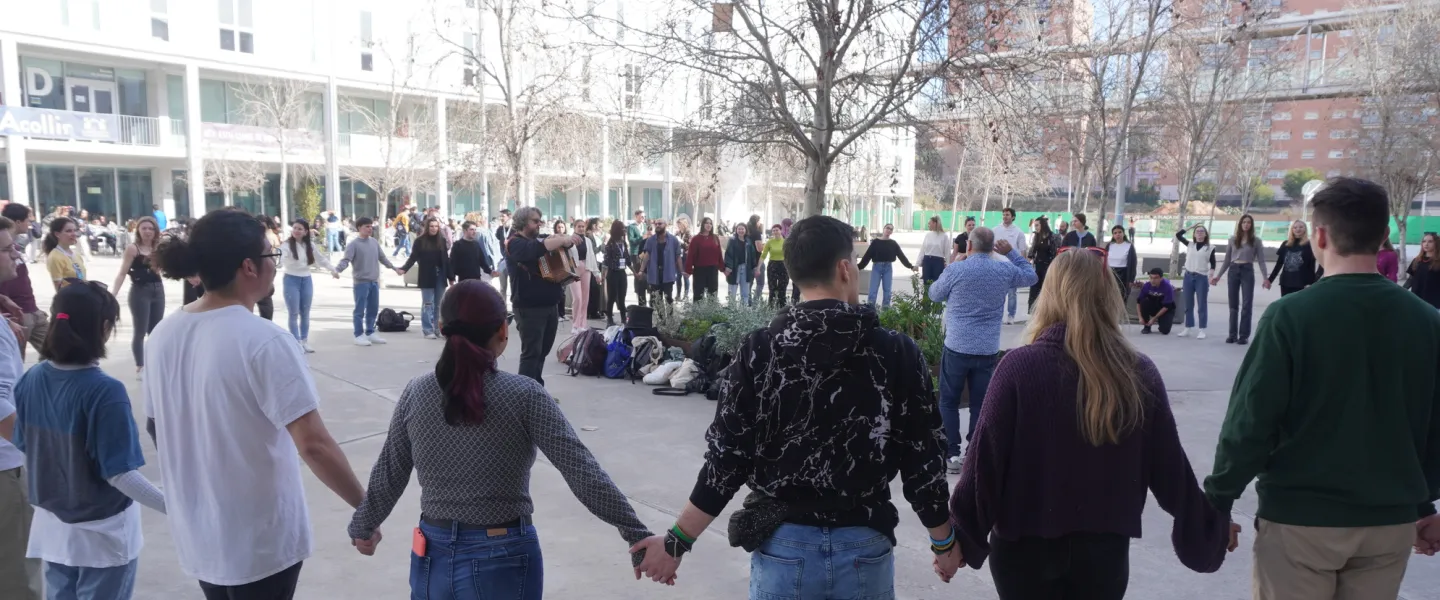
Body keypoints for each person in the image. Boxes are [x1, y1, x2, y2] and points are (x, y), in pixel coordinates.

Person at [628, 215, 961, 595]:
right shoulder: (896, 352)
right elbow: (924, 460)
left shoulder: (758, 350)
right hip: (865, 546)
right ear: (845, 268)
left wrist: (676, 542)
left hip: (784, 551)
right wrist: (944, 542)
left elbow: (726, 460)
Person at [346, 281, 661, 598]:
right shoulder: (524, 395)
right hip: (503, 558)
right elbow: (581, 471)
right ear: (503, 331)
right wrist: (635, 532)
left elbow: (390, 470)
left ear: (442, 327)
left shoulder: (417, 392)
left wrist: (364, 524)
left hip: (431, 557)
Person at [1204, 177, 1440, 600]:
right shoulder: (1428, 322)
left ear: (1319, 235)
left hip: (1301, 521)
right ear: (1384, 234)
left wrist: (1218, 500)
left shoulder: (1290, 317)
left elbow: (1251, 421)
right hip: (1389, 524)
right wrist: (1425, 503)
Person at [950, 250, 1234, 599]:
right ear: (1108, 295)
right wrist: (1210, 525)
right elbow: (1170, 469)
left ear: (1050, 294)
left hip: (1023, 554)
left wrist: (957, 539)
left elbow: (984, 466)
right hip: (1105, 554)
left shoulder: (1018, 368)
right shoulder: (1137, 371)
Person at [146, 208, 369, 600]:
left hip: (200, 533)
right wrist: (365, 508)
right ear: (249, 267)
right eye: (271, 256)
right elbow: (313, 444)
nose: (274, 264)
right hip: (259, 539)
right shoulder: (264, 340)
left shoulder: (164, 333)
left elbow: (155, 425)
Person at [12, 280, 169, 600]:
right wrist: (175, 506)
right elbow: (120, 474)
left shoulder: (32, 378)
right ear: (106, 327)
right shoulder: (104, 391)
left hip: (53, 529)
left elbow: (24, 445)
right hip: (103, 537)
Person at [929, 227, 1037, 471]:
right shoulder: (1004, 269)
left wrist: (953, 264)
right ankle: (974, 454)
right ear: (993, 247)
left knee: (948, 401)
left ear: (969, 245)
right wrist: (1012, 254)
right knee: (980, 403)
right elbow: (1031, 277)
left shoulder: (958, 269)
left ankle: (951, 454)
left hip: (956, 345)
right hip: (987, 348)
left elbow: (934, 294)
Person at [0, 217, 39, 600]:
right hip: (5, 467)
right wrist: (35, 448)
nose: (16, 253)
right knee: (17, 578)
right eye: (8, 248)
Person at [506, 207, 575, 385]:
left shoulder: (538, 239)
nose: (540, 224)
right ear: (523, 223)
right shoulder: (515, 243)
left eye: (540, 220)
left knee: (542, 352)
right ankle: (524, 396)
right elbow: (538, 247)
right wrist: (564, 238)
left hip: (549, 305)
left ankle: (536, 390)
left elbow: (560, 243)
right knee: (531, 354)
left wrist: (567, 241)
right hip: (529, 308)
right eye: (535, 221)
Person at [110, 216, 165, 376]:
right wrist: (113, 294)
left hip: (158, 289)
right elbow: (122, 273)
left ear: (155, 231)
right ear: (138, 230)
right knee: (140, 330)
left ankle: (155, 362)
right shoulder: (133, 249)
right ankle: (140, 366)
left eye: (151, 228)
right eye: (144, 228)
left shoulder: (159, 248)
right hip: (140, 291)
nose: (147, 231)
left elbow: (169, 268)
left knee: (156, 330)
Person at [335, 217, 400, 347]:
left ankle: (370, 332)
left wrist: (394, 268)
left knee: (373, 309)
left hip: (374, 282)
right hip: (361, 282)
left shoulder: (374, 243)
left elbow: (382, 258)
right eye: (366, 226)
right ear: (359, 228)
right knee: (359, 310)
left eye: (371, 226)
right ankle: (358, 335)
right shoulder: (353, 244)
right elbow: (346, 260)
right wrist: (337, 270)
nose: (370, 229)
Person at [280, 220, 336, 353]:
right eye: (294, 228)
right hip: (291, 279)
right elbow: (280, 257)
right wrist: (275, 265)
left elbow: (321, 259)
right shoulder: (286, 245)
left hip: (306, 279)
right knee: (293, 312)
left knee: (305, 312)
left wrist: (332, 269)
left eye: (300, 229)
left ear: (305, 231)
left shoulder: (310, 245)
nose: (296, 231)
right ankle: (296, 341)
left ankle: (304, 340)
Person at [0, 205, 50, 355]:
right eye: (28, 220)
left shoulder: (14, 248)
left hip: (30, 310)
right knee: (14, 362)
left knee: (60, 354)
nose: (30, 224)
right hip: (17, 316)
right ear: (17, 221)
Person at [1212, 214, 1267, 345]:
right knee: (1233, 305)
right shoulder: (1233, 240)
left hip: (1247, 270)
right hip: (1233, 270)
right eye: (1244, 222)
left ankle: (1243, 335)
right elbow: (1226, 260)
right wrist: (1218, 276)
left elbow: (1261, 260)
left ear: (1251, 225)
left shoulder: (1256, 241)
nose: (1246, 224)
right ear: (1240, 224)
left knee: (1247, 304)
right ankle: (1232, 334)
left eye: (1248, 222)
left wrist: (1266, 278)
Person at [398, 217, 455, 340]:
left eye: (436, 226)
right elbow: (413, 257)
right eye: (431, 226)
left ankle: (436, 328)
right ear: (427, 227)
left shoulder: (442, 240)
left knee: (439, 304)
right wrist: (404, 269)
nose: (434, 228)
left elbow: (446, 260)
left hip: (441, 275)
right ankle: (427, 329)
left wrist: (451, 277)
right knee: (428, 303)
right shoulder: (420, 241)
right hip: (427, 275)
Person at [1175, 223, 1216, 339]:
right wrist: (1190, 227)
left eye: (1202, 231)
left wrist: (1211, 275)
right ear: (1194, 234)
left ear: (1205, 234)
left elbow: (1213, 263)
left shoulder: (1210, 247)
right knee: (1188, 303)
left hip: (1201, 277)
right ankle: (1188, 327)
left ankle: (1202, 329)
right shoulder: (1190, 245)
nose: (1199, 233)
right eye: (1197, 231)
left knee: (1202, 304)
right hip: (1188, 276)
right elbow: (1178, 235)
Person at [857, 223, 913, 308]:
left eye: (891, 229)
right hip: (877, 268)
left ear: (892, 232)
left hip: (888, 268)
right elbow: (867, 256)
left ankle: (885, 314)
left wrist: (910, 266)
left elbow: (901, 256)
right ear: (883, 229)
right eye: (887, 228)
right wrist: (858, 267)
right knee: (873, 291)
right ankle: (870, 311)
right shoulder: (875, 242)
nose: (889, 230)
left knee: (887, 292)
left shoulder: (893, 243)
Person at [1264, 219, 1318, 296]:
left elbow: (1312, 266)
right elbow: (1279, 264)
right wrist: (1270, 280)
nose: (1298, 229)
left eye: (1301, 227)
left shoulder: (1310, 245)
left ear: (1305, 229)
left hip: (1302, 284)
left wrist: (1312, 283)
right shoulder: (1285, 244)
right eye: (1295, 227)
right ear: (1291, 230)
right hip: (1286, 283)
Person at [994, 208, 1029, 323]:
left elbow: (1023, 250)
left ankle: (1011, 315)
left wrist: (1022, 266)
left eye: (1007, 215)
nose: (1005, 216)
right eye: (1003, 214)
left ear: (1013, 217)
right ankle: (996, 315)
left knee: (1012, 292)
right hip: (998, 264)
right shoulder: (995, 230)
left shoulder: (1018, 232)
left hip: (1012, 265)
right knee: (998, 292)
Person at [641, 218, 682, 306]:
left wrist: (682, 271)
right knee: (656, 300)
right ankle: (660, 319)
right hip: (654, 274)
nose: (657, 225)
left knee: (669, 299)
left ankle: (670, 319)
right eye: (656, 224)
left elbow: (678, 256)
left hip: (668, 274)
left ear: (665, 225)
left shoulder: (673, 240)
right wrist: (641, 270)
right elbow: (646, 256)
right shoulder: (650, 240)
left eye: (660, 224)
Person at [684, 216, 723, 302]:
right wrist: (688, 270)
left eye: (710, 223)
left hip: (713, 269)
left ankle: (712, 314)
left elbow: (719, 253)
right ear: (702, 225)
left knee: (712, 294)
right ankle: (697, 314)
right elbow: (691, 255)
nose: (709, 225)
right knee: (698, 294)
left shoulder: (715, 238)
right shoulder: (696, 239)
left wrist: (722, 267)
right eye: (707, 223)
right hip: (700, 270)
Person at [1026, 216, 1059, 313]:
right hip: (1038, 266)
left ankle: (1047, 311)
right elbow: (1032, 251)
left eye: (1037, 225)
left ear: (1043, 225)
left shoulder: (1053, 237)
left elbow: (1056, 252)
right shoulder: (1037, 236)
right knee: (1034, 288)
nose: (1035, 227)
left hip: (1049, 266)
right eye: (1035, 225)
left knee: (1047, 289)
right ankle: (1033, 312)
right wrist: (1028, 261)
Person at [43, 217, 86, 291]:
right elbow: (59, 287)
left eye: (75, 230)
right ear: (57, 234)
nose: (74, 234)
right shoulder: (55, 257)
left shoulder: (76, 255)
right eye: (69, 231)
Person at [568, 218, 597, 329]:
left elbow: (592, 256)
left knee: (585, 298)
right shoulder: (569, 240)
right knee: (578, 298)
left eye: (582, 226)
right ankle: (575, 325)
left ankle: (582, 324)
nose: (581, 228)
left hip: (586, 268)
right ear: (574, 227)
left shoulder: (587, 240)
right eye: (578, 226)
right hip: (574, 269)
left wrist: (596, 273)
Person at [602, 221, 630, 327]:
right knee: (612, 297)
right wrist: (603, 275)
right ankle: (609, 319)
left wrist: (636, 273)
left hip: (622, 273)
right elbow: (606, 260)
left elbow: (627, 259)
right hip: (613, 273)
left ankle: (624, 319)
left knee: (622, 297)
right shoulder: (610, 244)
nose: (624, 230)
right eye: (622, 229)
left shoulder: (623, 243)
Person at [724, 224, 758, 306]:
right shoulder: (732, 241)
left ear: (745, 230)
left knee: (745, 291)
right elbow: (728, 254)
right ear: (736, 230)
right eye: (739, 229)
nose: (741, 231)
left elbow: (752, 255)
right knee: (732, 290)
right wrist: (728, 267)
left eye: (742, 229)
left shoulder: (748, 241)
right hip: (735, 268)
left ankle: (744, 310)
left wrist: (754, 267)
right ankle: (731, 308)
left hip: (746, 268)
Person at [1138, 267, 1177, 335]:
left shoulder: (1167, 287)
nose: (1153, 280)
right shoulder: (1147, 286)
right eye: (1151, 277)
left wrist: (1154, 318)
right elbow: (1138, 302)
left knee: (1165, 331)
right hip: (1153, 306)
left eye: (1156, 278)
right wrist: (1140, 317)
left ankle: (1162, 320)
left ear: (1161, 278)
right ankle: (1147, 326)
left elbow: (1166, 306)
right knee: (1144, 302)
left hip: (1165, 308)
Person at [1407, 231, 1440, 309]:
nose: (1426, 244)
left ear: (1436, 243)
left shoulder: (1438, 262)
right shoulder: (1416, 260)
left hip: (1434, 304)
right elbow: (1411, 279)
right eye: (1424, 241)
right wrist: (1401, 290)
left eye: (1430, 241)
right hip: (1416, 301)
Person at [1106, 225, 1137, 304]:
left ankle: (1121, 314)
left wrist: (1131, 279)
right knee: (1109, 296)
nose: (1118, 234)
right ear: (1113, 235)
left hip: (1123, 274)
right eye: (1115, 233)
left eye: (1120, 232)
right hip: (1110, 273)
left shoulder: (1129, 246)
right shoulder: (1109, 245)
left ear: (1123, 233)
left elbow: (1133, 264)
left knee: (1121, 297)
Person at [761, 224, 789, 307]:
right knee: (772, 287)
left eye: (777, 230)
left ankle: (782, 306)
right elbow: (764, 255)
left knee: (782, 287)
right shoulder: (769, 242)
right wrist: (758, 267)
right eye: (774, 230)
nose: (775, 232)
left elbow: (790, 255)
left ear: (781, 231)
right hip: (772, 265)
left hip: (783, 265)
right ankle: (771, 306)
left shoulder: (786, 242)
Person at [920, 215, 950, 284]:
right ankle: (926, 295)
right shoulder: (928, 235)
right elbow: (922, 250)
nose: (928, 225)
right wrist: (917, 263)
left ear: (935, 223)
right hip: (927, 261)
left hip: (938, 262)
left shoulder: (944, 236)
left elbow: (947, 252)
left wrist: (948, 265)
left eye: (929, 223)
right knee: (926, 283)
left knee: (936, 283)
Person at [494, 209, 513, 304]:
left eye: (503, 216)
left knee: (513, 286)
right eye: (500, 216)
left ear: (509, 217)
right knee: (502, 288)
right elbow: (498, 238)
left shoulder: (515, 229)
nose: (501, 218)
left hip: (513, 261)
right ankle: (503, 309)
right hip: (503, 260)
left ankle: (515, 309)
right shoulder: (500, 229)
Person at [747, 215, 766, 301]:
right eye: (759, 221)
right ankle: (755, 302)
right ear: (756, 222)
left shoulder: (747, 233)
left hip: (748, 261)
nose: (760, 223)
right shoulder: (757, 233)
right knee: (760, 283)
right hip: (757, 261)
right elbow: (759, 248)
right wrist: (765, 245)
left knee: (749, 284)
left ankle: (748, 301)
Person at [675, 217, 692, 299]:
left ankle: (686, 295)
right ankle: (678, 294)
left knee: (685, 276)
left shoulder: (688, 233)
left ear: (684, 224)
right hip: (678, 257)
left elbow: (689, 246)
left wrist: (681, 242)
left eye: (680, 225)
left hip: (685, 257)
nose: (678, 227)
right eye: (678, 225)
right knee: (678, 277)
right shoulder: (677, 233)